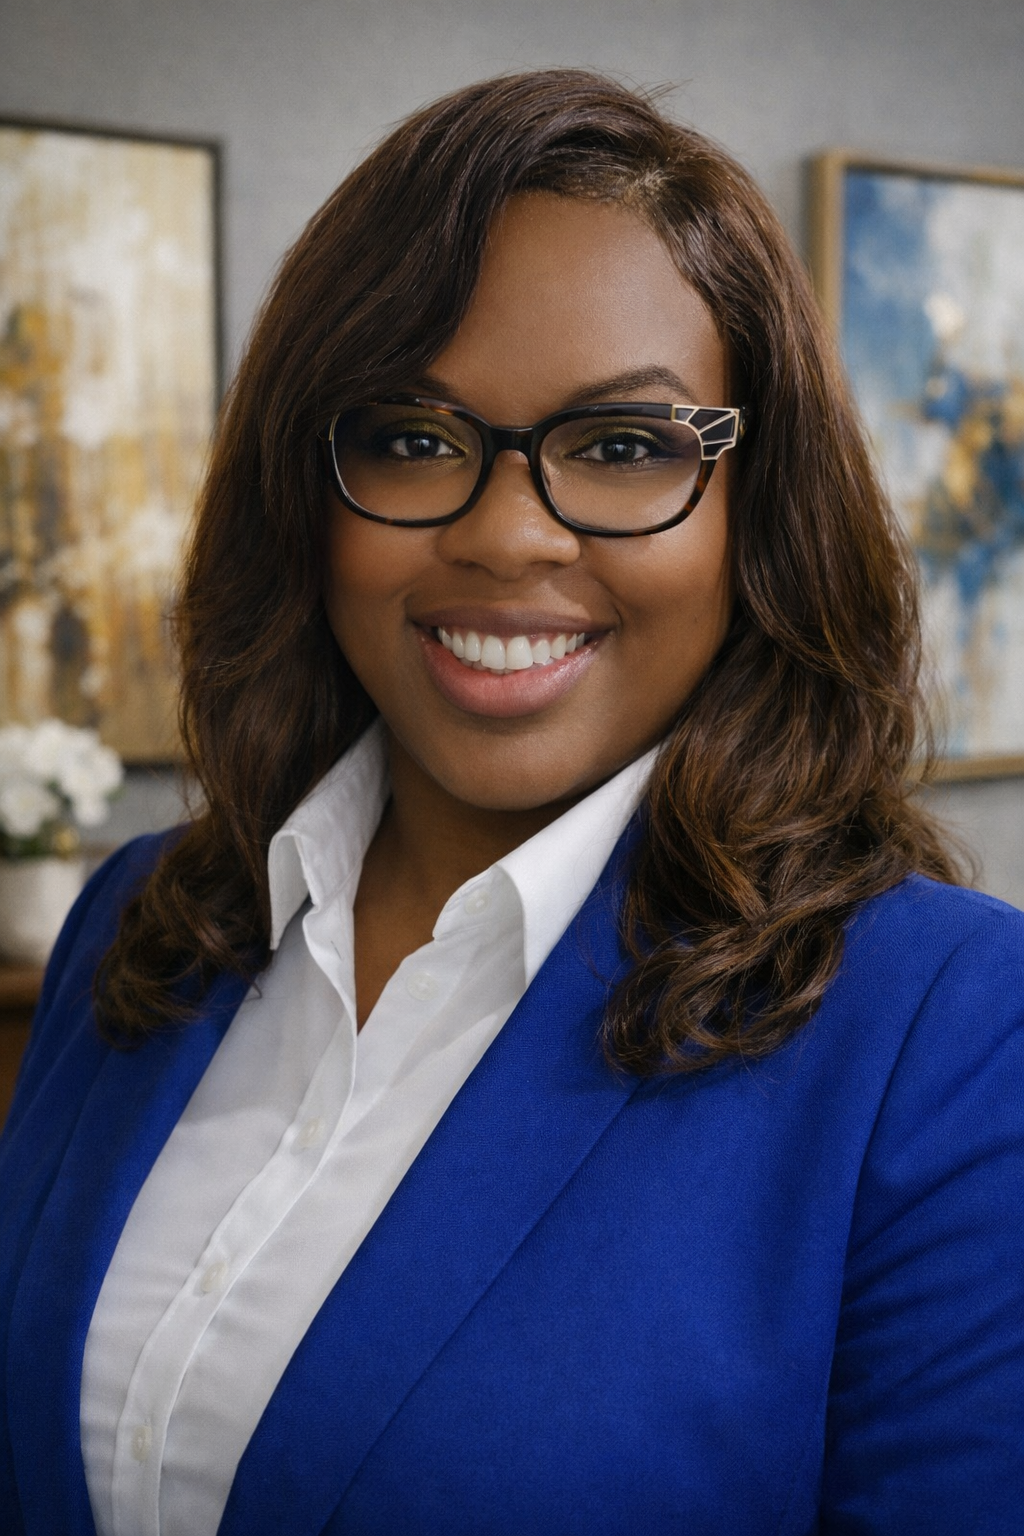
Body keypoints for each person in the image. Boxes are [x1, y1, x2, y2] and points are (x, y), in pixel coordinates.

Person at [1, 69, 1021, 1536]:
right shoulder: (136, 922)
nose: (507, 535)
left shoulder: (953, 1032)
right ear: (308, 485)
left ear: (760, 510)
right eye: (413, 438)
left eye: (625, 448)